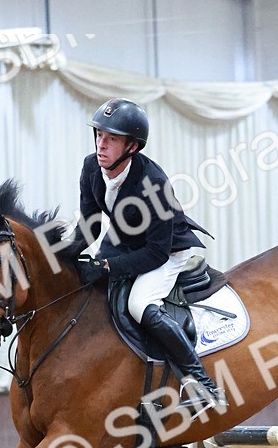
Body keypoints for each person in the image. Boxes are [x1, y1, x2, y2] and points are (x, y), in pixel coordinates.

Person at [77, 98, 226, 412]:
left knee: (139, 304)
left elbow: (156, 253)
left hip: (167, 250)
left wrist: (107, 267)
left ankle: (201, 383)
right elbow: (90, 227)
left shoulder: (153, 183)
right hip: (126, 240)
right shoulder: (91, 167)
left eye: (112, 139)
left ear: (132, 147)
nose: (101, 145)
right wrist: (59, 258)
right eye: (99, 135)